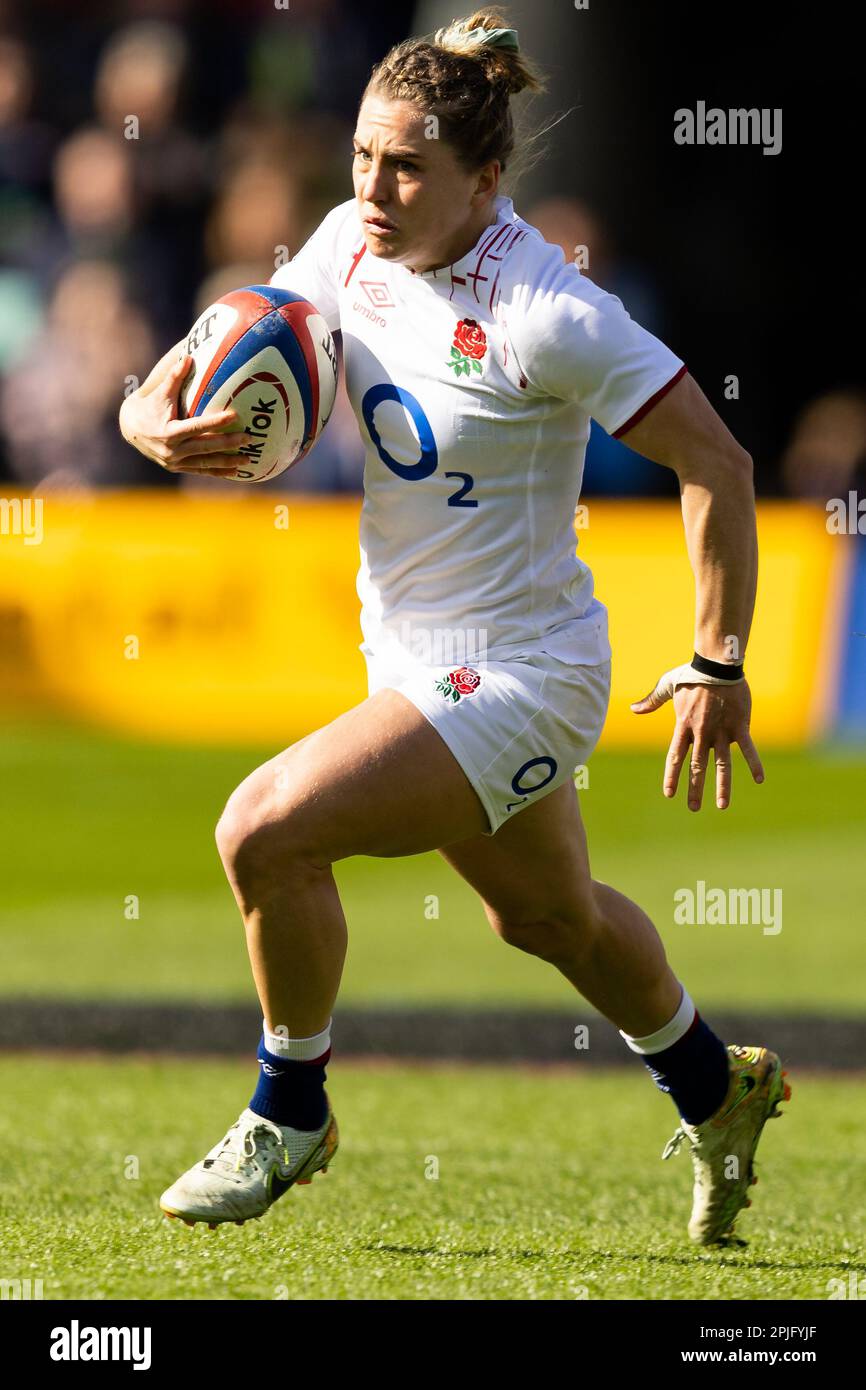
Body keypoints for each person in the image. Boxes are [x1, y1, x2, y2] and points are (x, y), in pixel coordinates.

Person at [118, 7, 790, 1247]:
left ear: (484, 179)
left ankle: (291, 1110)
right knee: (548, 919)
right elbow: (245, 327)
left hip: (526, 673)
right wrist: (145, 418)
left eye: (408, 166)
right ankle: (717, 1084)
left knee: (263, 832)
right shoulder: (349, 238)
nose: (373, 188)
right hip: (412, 655)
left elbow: (720, 463)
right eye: (364, 156)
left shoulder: (548, 309)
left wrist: (716, 656)